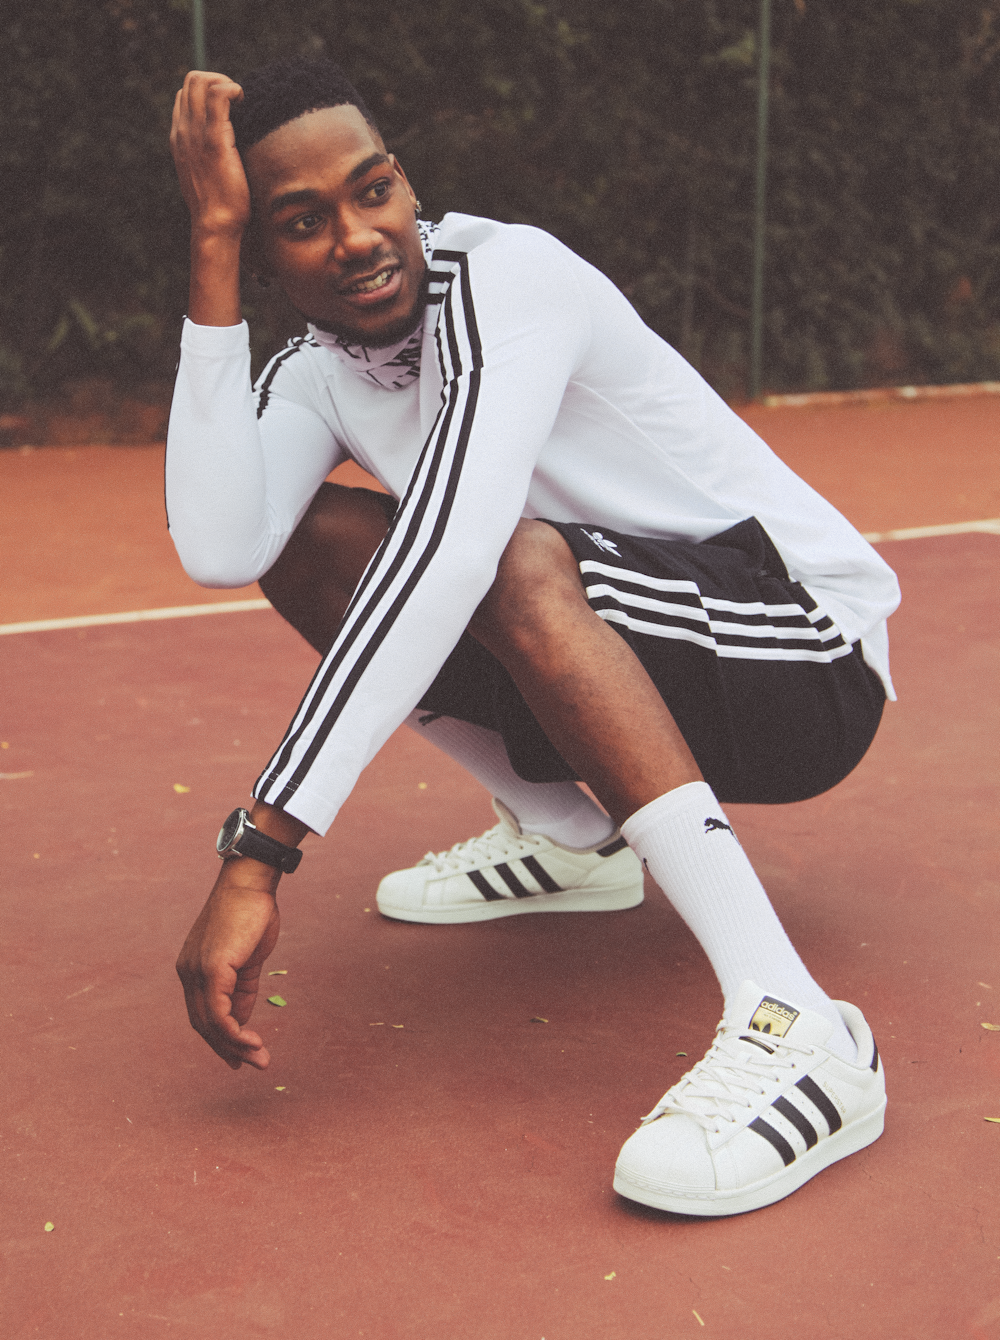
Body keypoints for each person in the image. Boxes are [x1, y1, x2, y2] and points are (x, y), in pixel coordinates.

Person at [167, 55, 899, 1218]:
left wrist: (261, 843)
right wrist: (208, 250)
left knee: (502, 555)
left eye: (374, 190)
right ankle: (571, 834)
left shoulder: (512, 278)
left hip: (807, 651)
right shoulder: (314, 372)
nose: (358, 237)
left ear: (408, 185)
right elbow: (221, 542)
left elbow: (458, 551)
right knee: (306, 540)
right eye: (301, 223)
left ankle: (797, 1020)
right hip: (639, 641)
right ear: (265, 255)